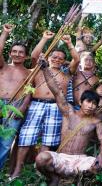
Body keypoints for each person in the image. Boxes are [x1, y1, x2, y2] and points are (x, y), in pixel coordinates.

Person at [11, 34, 80, 178]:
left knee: (48, 140)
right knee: (25, 138)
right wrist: (44, 39)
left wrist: (69, 43)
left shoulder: (66, 73)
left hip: (55, 107)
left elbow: (77, 59)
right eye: (54, 57)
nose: (57, 60)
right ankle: (17, 171)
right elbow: (35, 54)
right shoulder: (39, 69)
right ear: (49, 58)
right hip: (36, 104)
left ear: (63, 62)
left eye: (60, 58)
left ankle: (39, 170)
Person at [35, 57, 102, 185]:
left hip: (80, 160)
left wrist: (101, 156)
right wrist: (45, 69)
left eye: (94, 104)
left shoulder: (96, 122)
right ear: (80, 102)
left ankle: (75, 181)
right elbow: (56, 91)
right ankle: (54, 178)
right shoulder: (69, 112)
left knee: (97, 166)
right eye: (88, 102)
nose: (91, 106)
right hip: (61, 157)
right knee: (41, 158)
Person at [0, 24, 31, 169]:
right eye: (14, 51)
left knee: (6, 142)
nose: (17, 54)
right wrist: (5, 33)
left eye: (21, 52)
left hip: (15, 106)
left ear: (25, 56)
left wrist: (22, 109)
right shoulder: (3, 66)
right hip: (0, 102)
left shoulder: (29, 72)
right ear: (10, 53)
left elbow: (29, 92)